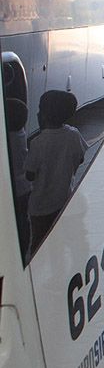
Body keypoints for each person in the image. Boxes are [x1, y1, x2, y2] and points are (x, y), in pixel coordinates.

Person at [25, 90, 86, 250]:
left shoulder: (38, 142)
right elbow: (80, 158)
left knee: (39, 242)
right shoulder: (73, 135)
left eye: (40, 109)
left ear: (44, 116)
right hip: (64, 200)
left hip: (40, 206)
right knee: (59, 237)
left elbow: (30, 175)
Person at [5, 98, 31, 258]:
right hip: (25, 187)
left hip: (13, 187)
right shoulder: (20, 133)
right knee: (23, 218)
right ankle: (24, 246)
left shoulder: (7, 140)